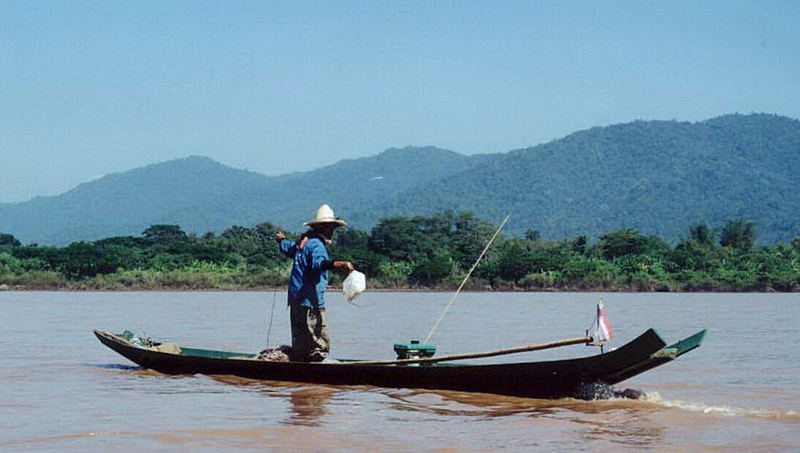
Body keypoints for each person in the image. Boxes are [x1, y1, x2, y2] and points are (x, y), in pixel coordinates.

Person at [275, 204, 355, 362]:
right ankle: (319, 368)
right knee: (319, 343)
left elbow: (287, 247)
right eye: (331, 228)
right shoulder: (317, 245)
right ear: (324, 228)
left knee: (301, 345)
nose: (333, 232)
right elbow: (319, 264)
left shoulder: (302, 244)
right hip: (311, 301)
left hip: (296, 300)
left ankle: (301, 364)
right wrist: (339, 264)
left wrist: (281, 240)